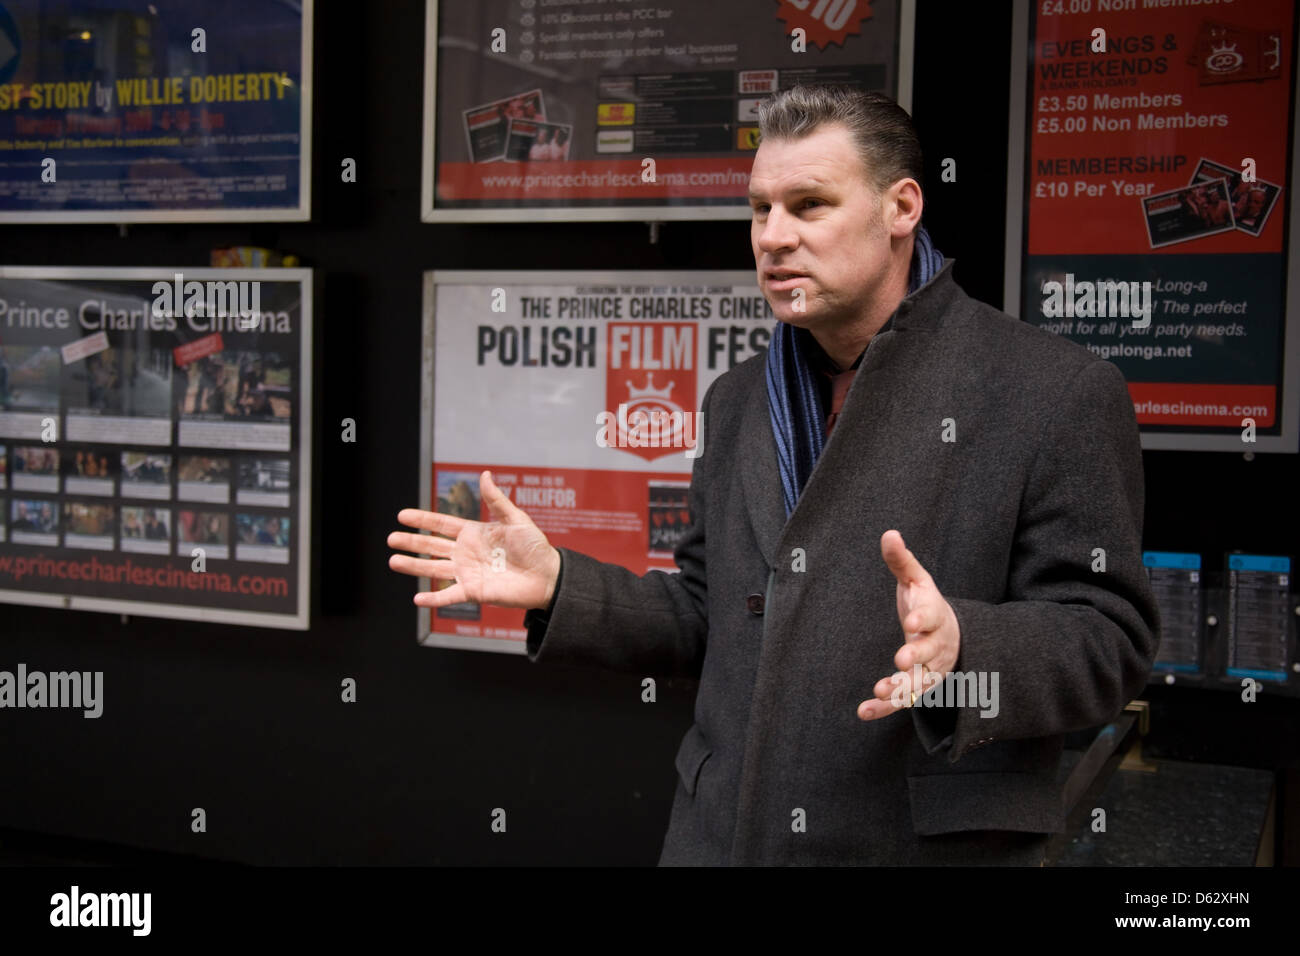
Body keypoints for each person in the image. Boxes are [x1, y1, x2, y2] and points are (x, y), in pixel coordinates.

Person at [387, 85, 1159, 865]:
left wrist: (966, 648)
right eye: (760, 210)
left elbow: (1109, 644)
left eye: (810, 205)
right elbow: (705, 617)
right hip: (718, 840)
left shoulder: (1053, 391)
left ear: (902, 207)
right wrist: (561, 584)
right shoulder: (737, 399)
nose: (773, 237)